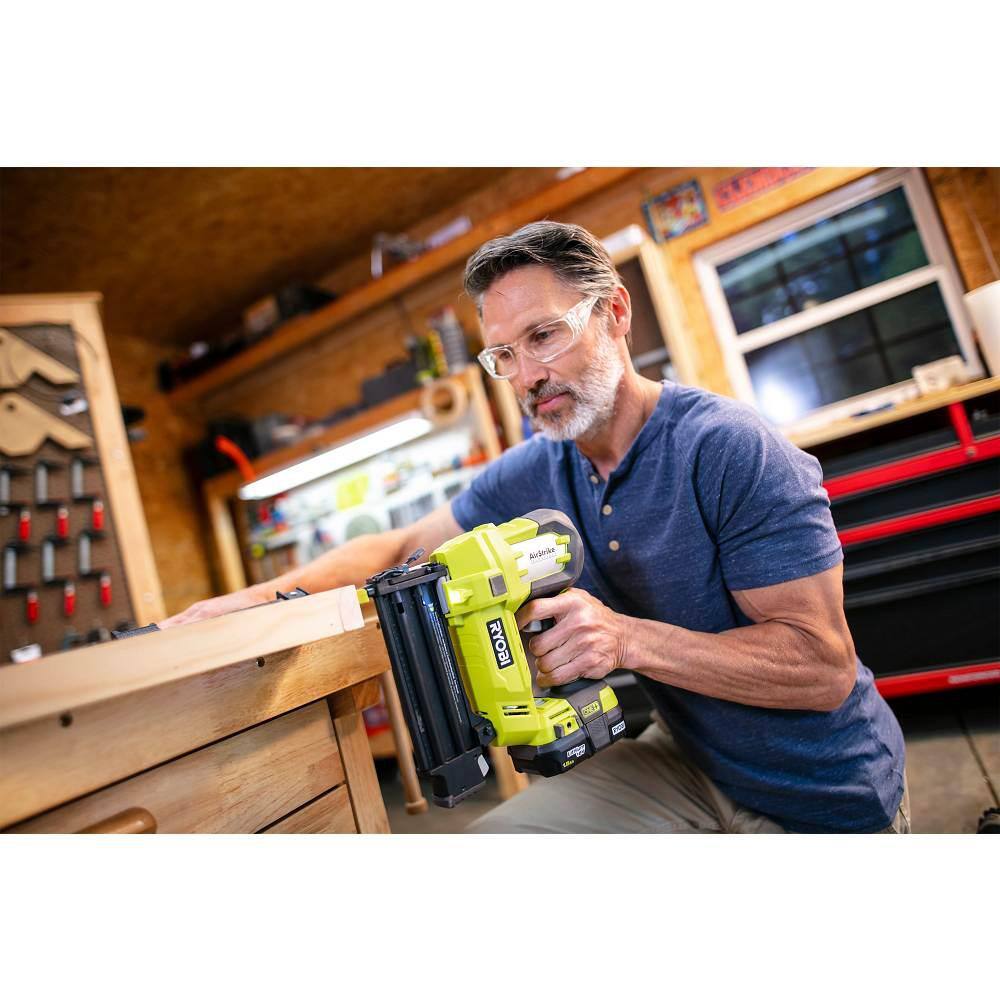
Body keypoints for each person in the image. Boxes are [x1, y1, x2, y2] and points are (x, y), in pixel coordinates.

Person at [163, 221, 909, 834]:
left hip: (825, 794)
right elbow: (399, 549)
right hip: (692, 758)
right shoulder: (540, 466)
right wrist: (250, 603)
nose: (526, 376)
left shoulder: (729, 447)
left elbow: (821, 669)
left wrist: (626, 640)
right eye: (504, 355)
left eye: (544, 335)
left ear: (615, 314)